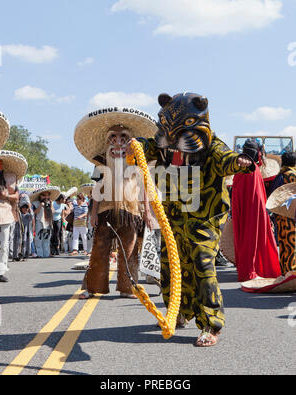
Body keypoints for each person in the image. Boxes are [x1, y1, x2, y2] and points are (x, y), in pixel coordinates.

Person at [127, 92, 255, 347]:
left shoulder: (212, 145)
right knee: (170, 266)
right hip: (173, 216)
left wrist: (241, 162)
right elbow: (146, 147)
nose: (173, 138)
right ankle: (179, 312)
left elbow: (228, 160)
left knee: (202, 266)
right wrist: (136, 144)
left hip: (204, 218)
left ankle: (211, 323)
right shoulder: (163, 142)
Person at [74, 108, 156, 300]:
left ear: (129, 140)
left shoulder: (137, 160)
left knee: (129, 251)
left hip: (132, 211)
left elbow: (145, 187)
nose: (118, 141)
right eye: (114, 137)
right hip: (105, 210)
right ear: (108, 140)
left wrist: (148, 212)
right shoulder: (101, 161)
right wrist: (93, 212)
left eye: (122, 137)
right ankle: (91, 287)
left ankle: (128, 288)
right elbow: (96, 188)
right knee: (99, 250)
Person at [231, 140, 281, 283]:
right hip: (254, 214)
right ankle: (252, 269)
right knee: (252, 239)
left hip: (241, 213)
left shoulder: (239, 171)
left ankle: (246, 269)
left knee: (243, 239)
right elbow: (259, 199)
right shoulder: (253, 170)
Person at [0, 151, 28, 282]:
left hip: (4, 213)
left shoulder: (8, 178)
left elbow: (16, 196)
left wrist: (6, 196)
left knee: (2, 244)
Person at [274, 152, 296, 274]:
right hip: (292, 215)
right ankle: (291, 272)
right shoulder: (293, 175)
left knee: (284, 244)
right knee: (292, 245)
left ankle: (285, 270)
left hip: (281, 214)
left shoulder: (280, 175)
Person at [30, 187, 61, 259]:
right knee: (39, 238)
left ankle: (46, 253)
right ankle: (40, 254)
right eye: (44, 195)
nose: (46, 197)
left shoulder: (50, 203)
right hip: (39, 222)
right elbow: (34, 212)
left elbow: (53, 212)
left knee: (47, 238)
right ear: (40, 196)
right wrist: (40, 206)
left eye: (47, 195)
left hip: (48, 222)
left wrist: (51, 204)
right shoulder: (36, 203)